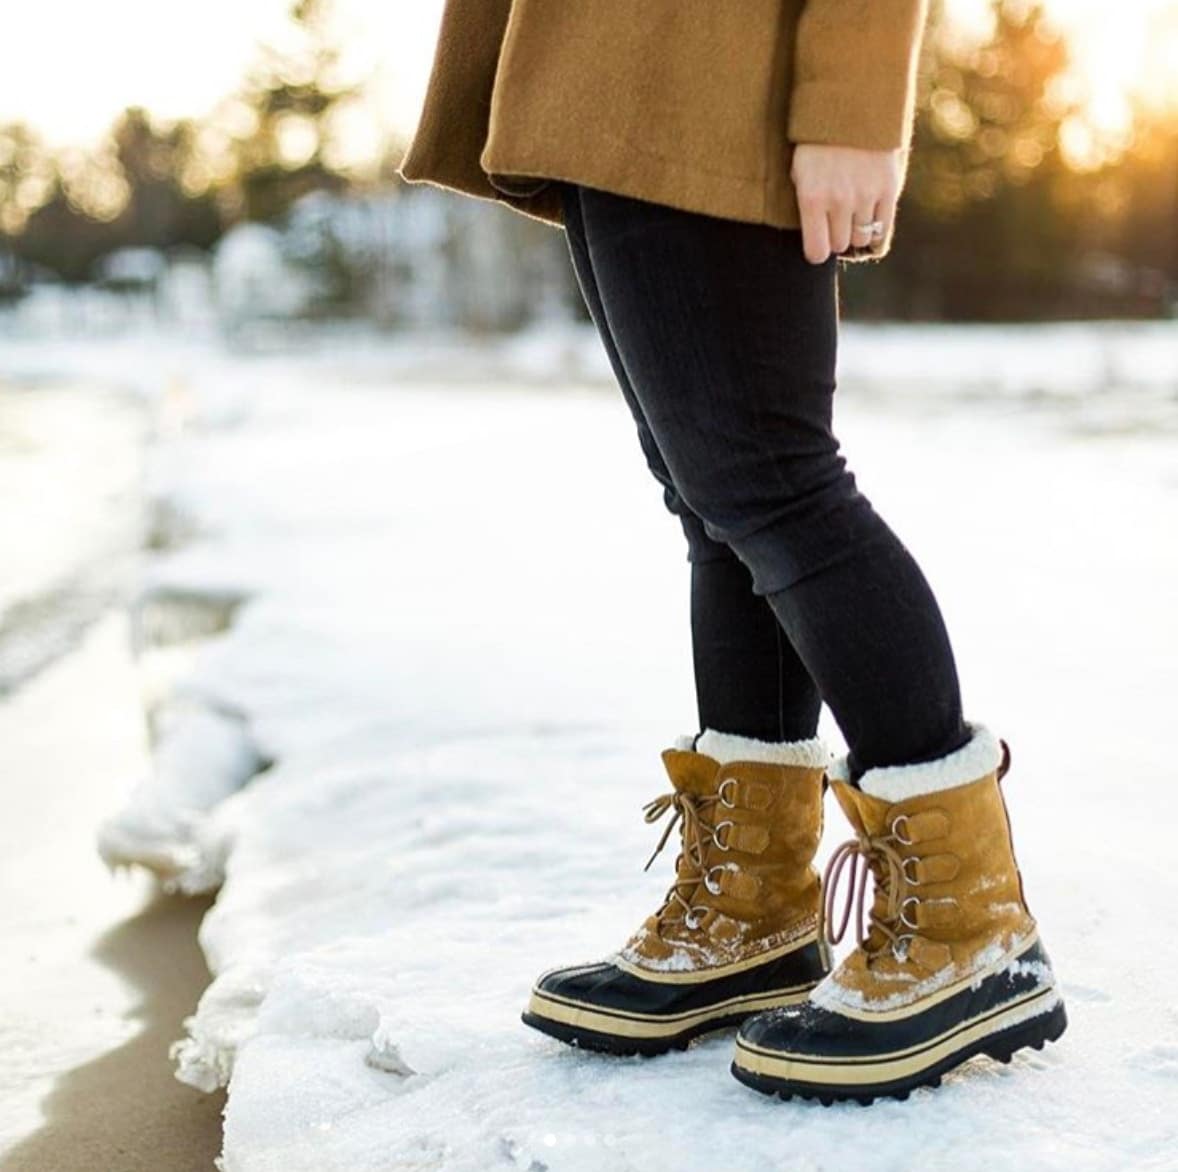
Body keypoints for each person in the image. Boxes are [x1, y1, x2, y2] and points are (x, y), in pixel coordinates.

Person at [397, 0, 1066, 1104]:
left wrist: (853, 101)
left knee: (773, 485)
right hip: (609, 67)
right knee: (714, 506)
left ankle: (967, 927)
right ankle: (751, 909)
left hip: (712, 68)